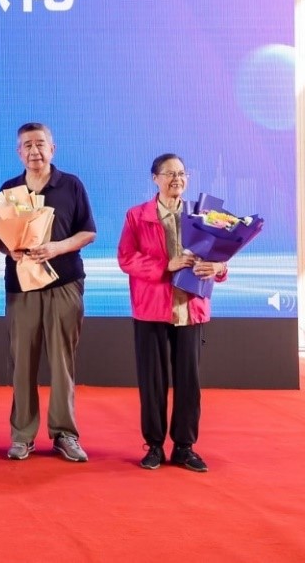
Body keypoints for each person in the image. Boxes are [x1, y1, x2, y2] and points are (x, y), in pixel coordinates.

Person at [117, 153, 227, 473]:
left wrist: (219, 268)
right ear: (155, 179)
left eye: (181, 173)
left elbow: (221, 259)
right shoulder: (137, 215)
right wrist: (167, 265)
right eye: (169, 174)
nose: (176, 179)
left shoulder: (203, 215)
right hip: (151, 308)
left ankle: (184, 446)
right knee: (152, 381)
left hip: (190, 308)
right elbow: (126, 258)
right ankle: (154, 445)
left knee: (188, 381)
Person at [0, 122, 96, 462]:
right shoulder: (10, 189)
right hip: (22, 287)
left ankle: (64, 433)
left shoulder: (71, 185)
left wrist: (57, 247)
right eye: (27, 145)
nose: (34, 151)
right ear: (19, 152)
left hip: (64, 284)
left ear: (52, 149)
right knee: (22, 363)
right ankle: (22, 435)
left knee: (62, 362)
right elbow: (0, 237)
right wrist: (10, 248)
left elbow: (88, 232)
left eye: (40, 144)